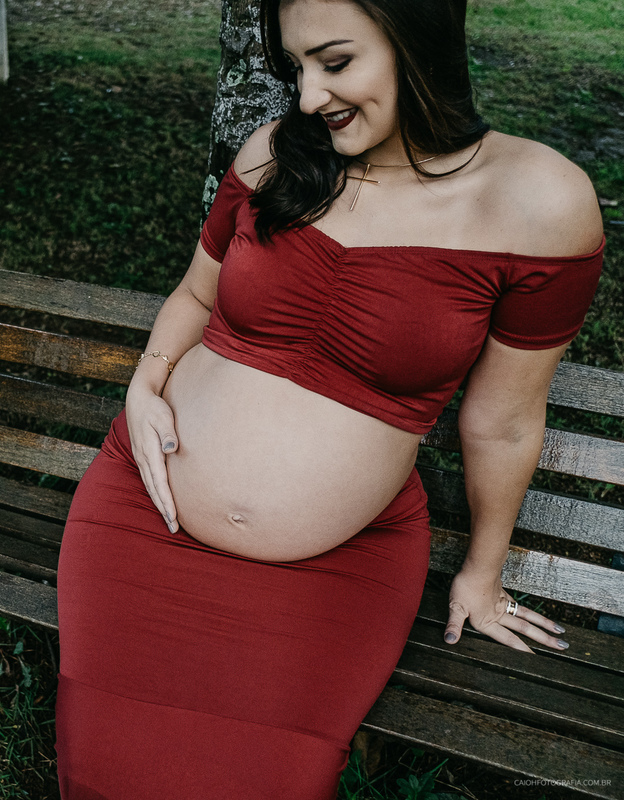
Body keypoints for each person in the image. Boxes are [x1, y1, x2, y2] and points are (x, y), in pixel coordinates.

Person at [54, 0, 605, 796]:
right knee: (101, 773)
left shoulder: (539, 202)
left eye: (335, 62)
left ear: (416, 36)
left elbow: (504, 420)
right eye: (297, 67)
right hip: (146, 512)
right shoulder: (277, 154)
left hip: (336, 569)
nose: (309, 96)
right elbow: (195, 297)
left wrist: (482, 573)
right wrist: (146, 380)